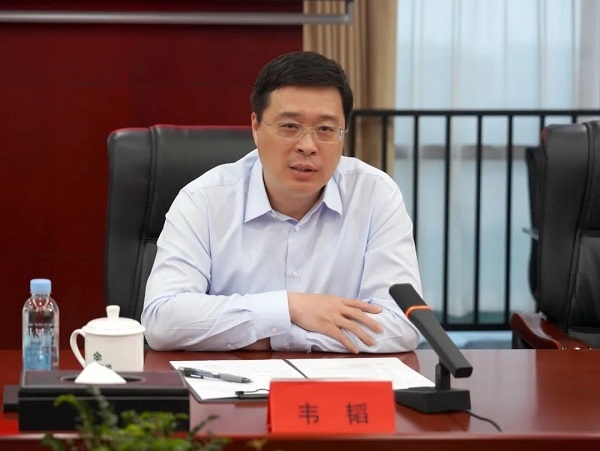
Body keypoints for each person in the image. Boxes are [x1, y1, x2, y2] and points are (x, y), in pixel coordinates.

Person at [142, 51, 423, 354]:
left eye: (326, 129)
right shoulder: (203, 201)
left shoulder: (375, 195)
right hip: (231, 383)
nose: (308, 146)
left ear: (343, 133)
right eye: (290, 126)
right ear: (256, 127)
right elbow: (163, 320)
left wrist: (275, 337)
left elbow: (402, 325)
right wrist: (291, 307)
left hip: (337, 382)